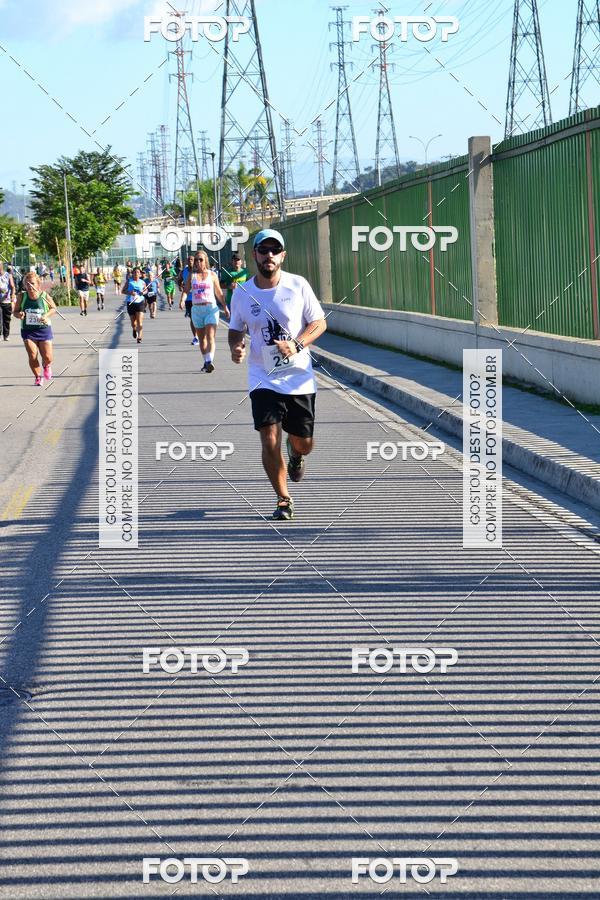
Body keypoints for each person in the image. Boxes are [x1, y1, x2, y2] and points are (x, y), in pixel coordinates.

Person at [228, 229, 327, 521]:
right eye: (263, 250)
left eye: (275, 250)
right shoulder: (243, 292)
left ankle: (295, 455)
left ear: (282, 255)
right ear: (254, 255)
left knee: (303, 443)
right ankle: (283, 499)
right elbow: (235, 328)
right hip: (262, 376)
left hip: (298, 377)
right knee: (268, 437)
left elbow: (319, 323)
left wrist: (296, 344)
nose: (268, 255)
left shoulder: (298, 285)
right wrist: (236, 346)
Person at [182, 251, 229, 373]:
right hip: (197, 309)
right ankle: (206, 361)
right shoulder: (192, 275)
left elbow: (218, 292)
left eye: (201, 260)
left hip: (210, 308)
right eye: (196, 260)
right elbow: (186, 290)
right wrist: (182, 300)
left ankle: (209, 361)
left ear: (205, 261)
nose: (198, 262)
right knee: (202, 339)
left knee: (210, 335)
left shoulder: (212, 275)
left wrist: (225, 307)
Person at [13, 271, 57, 385]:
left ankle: (46, 365)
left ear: (38, 284)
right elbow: (15, 312)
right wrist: (20, 314)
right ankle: (38, 377)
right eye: (27, 284)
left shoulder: (44, 295)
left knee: (48, 357)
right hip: (28, 330)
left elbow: (53, 308)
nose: (30, 286)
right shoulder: (22, 296)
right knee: (32, 354)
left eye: (32, 283)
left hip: (43, 329)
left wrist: (46, 316)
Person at [122, 266, 148, 344]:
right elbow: (123, 291)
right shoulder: (129, 282)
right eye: (135, 272)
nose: (136, 274)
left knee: (140, 322)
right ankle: (134, 329)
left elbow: (146, 290)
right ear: (132, 274)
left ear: (140, 274)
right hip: (131, 303)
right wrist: (130, 293)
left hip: (140, 303)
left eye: (138, 272)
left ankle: (139, 337)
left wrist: (144, 292)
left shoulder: (142, 282)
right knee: (133, 323)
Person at [178, 254, 197, 343]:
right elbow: (179, 280)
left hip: (198, 297)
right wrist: (180, 286)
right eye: (189, 260)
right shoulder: (183, 271)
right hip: (188, 298)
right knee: (192, 318)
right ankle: (195, 337)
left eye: (192, 260)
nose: (190, 261)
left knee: (198, 318)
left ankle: (201, 334)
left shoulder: (198, 271)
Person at [0, 262, 16, 342]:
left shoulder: (8, 275)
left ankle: (6, 335)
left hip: (6, 301)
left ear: (1, 266)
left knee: (6, 319)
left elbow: (13, 287)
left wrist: (13, 295)